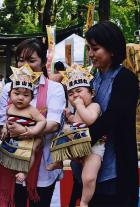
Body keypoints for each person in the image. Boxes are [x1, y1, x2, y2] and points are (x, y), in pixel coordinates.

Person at [71, 21, 139, 206]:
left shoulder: (126, 79)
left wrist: (77, 143)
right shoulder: (91, 78)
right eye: (88, 49)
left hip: (114, 168)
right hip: (86, 162)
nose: (91, 54)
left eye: (95, 48)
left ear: (112, 49)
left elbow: (112, 119)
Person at [0, 38, 66, 206]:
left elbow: (54, 123)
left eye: (31, 60)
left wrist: (27, 131)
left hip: (42, 163)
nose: (25, 65)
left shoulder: (54, 89)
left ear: (43, 62)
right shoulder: (8, 88)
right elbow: (2, 120)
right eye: (21, 59)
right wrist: (6, 129)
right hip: (12, 161)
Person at [48, 65, 103, 207]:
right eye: (71, 94)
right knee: (59, 135)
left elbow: (89, 119)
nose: (75, 96)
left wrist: (78, 106)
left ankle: (84, 202)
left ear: (92, 93)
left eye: (79, 91)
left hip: (93, 148)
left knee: (89, 177)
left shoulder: (94, 106)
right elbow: (76, 121)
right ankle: (59, 161)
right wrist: (69, 117)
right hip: (78, 144)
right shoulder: (79, 108)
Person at [0, 64, 47, 184]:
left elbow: (42, 121)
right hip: (14, 138)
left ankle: (25, 172)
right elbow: (7, 120)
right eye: (16, 93)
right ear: (10, 95)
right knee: (8, 150)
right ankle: (10, 165)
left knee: (30, 152)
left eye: (26, 95)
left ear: (31, 98)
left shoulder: (31, 110)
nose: (20, 98)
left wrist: (33, 131)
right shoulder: (9, 107)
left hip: (29, 137)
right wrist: (4, 128)